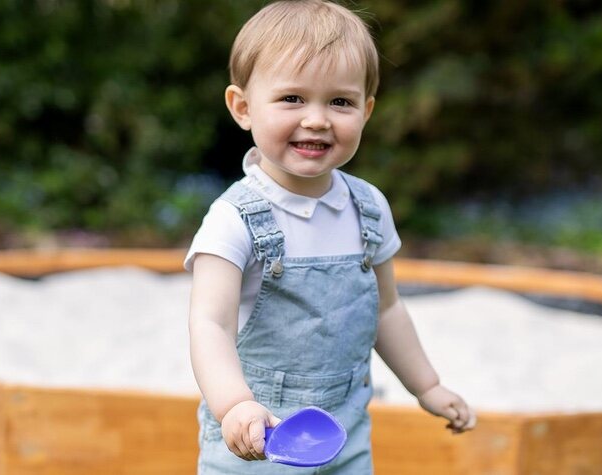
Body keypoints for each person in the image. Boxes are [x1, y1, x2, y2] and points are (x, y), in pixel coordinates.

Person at [184, 1, 476, 472]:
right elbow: (210, 325)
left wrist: (427, 385)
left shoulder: (369, 209)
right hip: (261, 434)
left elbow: (386, 309)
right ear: (242, 107)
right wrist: (233, 404)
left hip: (345, 432)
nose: (317, 119)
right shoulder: (233, 218)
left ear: (367, 110)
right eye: (292, 99)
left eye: (340, 101)